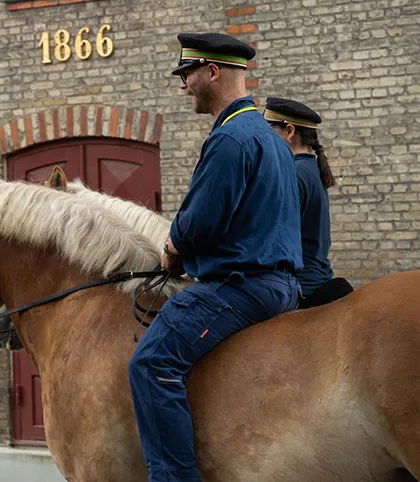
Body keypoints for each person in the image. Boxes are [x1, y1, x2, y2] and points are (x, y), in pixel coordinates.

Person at [127, 33, 304, 482]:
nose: (183, 85)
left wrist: (171, 249)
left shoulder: (231, 138)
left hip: (240, 288)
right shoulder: (271, 138)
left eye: (187, 74)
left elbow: (200, 223)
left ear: (212, 71)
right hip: (283, 286)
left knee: (150, 364)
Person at [264, 97, 354, 309]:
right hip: (316, 276)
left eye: (270, 129)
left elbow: (273, 239)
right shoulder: (310, 169)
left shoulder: (293, 174)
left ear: (290, 131)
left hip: (300, 285)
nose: (265, 137)